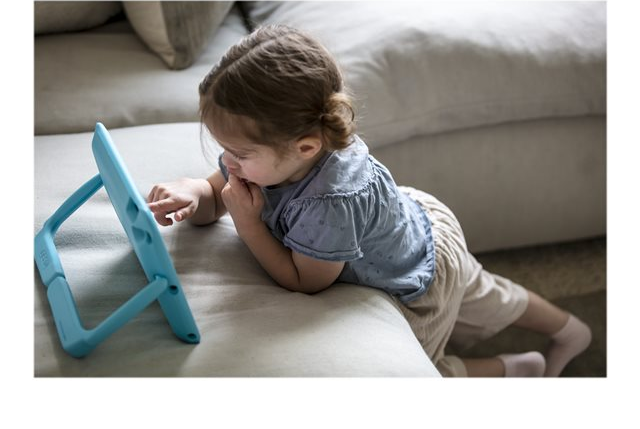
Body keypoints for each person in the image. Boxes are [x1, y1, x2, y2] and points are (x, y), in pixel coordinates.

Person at [147, 25, 592, 377]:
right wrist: (195, 192)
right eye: (224, 150)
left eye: (239, 154)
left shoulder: (330, 203)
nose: (228, 162)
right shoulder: (272, 157)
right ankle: (571, 330)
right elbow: (217, 194)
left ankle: (517, 369)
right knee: (483, 292)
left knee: (418, 369)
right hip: (417, 223)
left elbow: (305, 281)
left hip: (412, 276)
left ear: (305, 147)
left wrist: (249, 225)